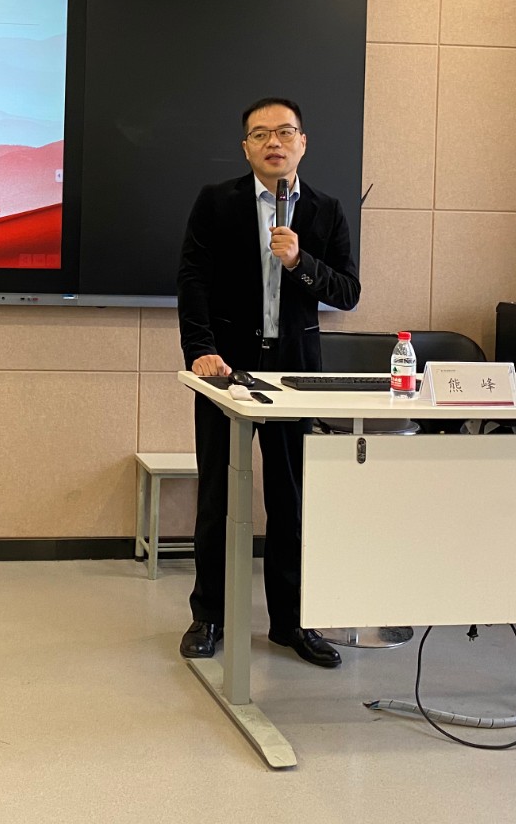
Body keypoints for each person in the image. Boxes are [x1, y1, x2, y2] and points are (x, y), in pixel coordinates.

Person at [176, 97, 361, 667]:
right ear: (246, 148)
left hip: (296, 370)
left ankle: (291, 623)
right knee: (217, 496)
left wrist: (301, 262)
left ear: (303, 142)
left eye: (284, 132)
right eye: (260, 134)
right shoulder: (216, 202)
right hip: (226, 369)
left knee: (292, 500)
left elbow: (347, 292)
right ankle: (209, 615)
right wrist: (201, 350)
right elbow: (193, 279)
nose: (273, 143)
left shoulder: (326, 210)